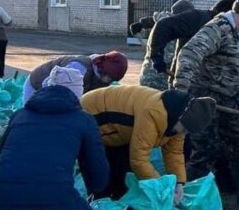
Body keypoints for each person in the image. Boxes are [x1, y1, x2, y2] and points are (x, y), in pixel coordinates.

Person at [0, 66, 109, 210]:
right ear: (78, 93)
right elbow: (97, 173)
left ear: (46, 87)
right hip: (55, 197)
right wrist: (95, 190)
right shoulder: (84, 120)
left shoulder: (20, 114)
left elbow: (1, 158)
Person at [173, 0, 239, 205]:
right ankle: (191, 200)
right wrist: (181, 89)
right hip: (205, 98)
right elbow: (189, 53)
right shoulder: (217, 29)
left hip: (231, 100)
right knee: (205, 148)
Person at [81, 85, 214, 201]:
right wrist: (162, 189)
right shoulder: (154, 113)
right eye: (185, 129)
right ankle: (99, 208)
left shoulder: (180, 118)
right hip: (92, 117)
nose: (184, 133)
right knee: (103, 175)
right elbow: (139, 160)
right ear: (181, 118)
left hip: (120, 131)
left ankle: (117, 204)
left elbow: (174, 152)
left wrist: (179, 183)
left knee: (122, 175)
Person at [140, 0, 215, 90]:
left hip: (145, 76)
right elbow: (179, 59)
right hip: (160, 80)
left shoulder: (161, 23)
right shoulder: (176, 32)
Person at [23, 51, 128, 102]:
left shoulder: (101, 79)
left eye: (113, 79)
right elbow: (49, 85)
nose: (109, 81)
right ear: (104, 69)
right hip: (37, 85)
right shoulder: (79, 68)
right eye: (110, 77)